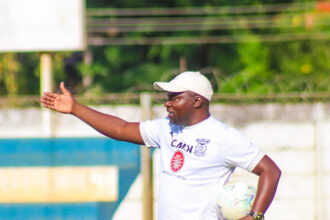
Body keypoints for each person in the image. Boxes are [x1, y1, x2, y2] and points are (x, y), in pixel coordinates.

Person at [41, 71, 281, 220]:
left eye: (174, 97)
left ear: (197, 101)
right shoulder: (166, 129)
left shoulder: (223, 137)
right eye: (167, 97)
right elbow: (122, 129)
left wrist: (255, 215)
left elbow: (270, 170)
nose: (167, 103)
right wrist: (76, 109)